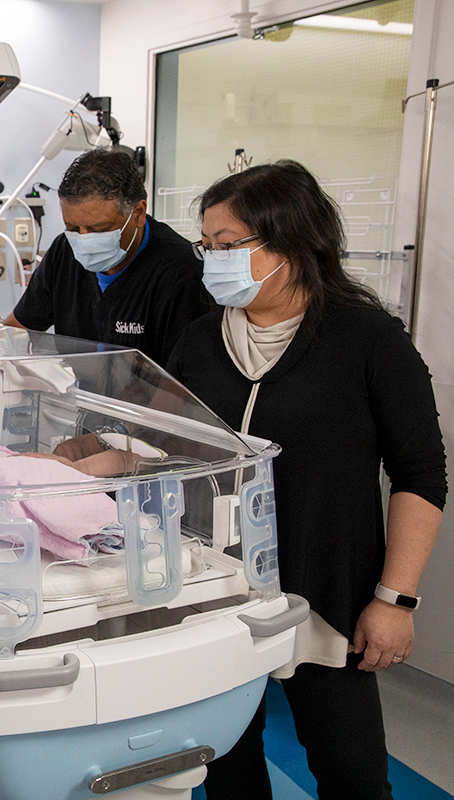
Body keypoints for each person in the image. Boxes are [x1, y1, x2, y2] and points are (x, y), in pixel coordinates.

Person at [164, 160, 446, 799]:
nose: (213, 261)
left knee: (352, 773)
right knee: (227, 764)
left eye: (230, 246)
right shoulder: (203, 339)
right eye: (206, 247)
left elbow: (421, 476)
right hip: (214, 588)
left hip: (327, 589)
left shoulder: (369, 340)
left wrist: (394, 599)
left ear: (291, 242)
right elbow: (163, 444)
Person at [2, 148, 211, 365]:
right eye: (73, 228)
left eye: (99, 229)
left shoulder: (182, 272)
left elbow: (182, 383)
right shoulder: (64, 252)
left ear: (138, 213)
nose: (84, 239)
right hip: (76, 394)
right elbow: (18, 328)